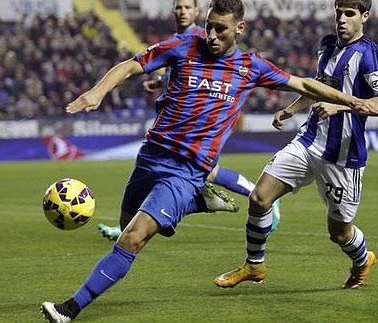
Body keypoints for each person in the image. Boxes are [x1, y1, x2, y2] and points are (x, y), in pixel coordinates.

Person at [41, 0, 378, 321]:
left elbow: (303, 83)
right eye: (209, 28)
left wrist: (353, 101)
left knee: (134, 238)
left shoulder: (250, 66)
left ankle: (70, 308)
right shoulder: (182, 45)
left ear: (239, 28)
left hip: (187, 170)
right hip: (151, 156)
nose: (212, 37)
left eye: (220, 29)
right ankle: (197, 202)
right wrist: (98, 91)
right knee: (125, 227)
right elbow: (132, 65)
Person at [214, 0, 378, 290]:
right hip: (308, 141)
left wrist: (341, 108)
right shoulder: (326, 44)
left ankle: (363, 261)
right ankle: (254, 265)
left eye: (349, 14)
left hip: (342, 156)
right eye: (339, 13)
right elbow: (319, 85)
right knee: (260, 197)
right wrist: (294, 107)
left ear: (364, 16)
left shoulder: (370, 54)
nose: (341, 19)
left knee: (339, 232)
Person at [96, 0, 279, 242]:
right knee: (193, 176)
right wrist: (161, 83)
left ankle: (264, 199)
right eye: (178, 7)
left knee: (204, 173)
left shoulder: (202, 38)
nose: (182, 12)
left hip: (200, 124)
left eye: (187, 7)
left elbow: (218, 72)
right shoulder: (180, 40)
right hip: (177, 120)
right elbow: (187, 72)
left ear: (196, 12)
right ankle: (133, 226)